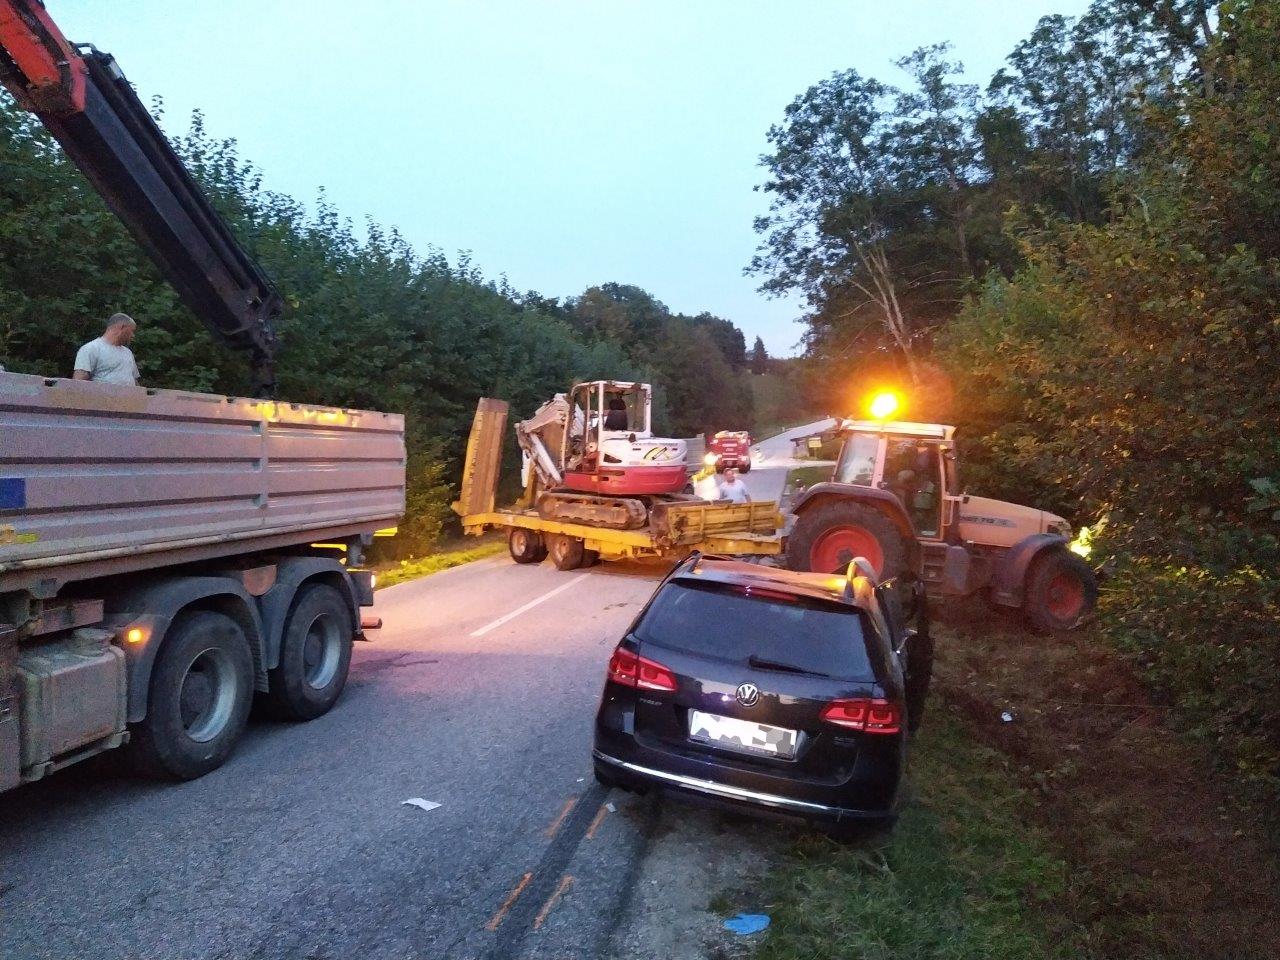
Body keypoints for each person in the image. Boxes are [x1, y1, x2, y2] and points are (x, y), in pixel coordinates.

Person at [73, 313, 140, 385]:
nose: (133, 335)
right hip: (101, 396)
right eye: (132, 331)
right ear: (122, 327)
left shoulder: (128, 352)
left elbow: (133, 380)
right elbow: (78, 381)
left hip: (129, 396)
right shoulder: (91, 348)